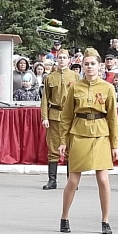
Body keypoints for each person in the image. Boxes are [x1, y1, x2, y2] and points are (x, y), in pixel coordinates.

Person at [58, 48, 118, 234]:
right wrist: (63, 140)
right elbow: (66, 116)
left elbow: (113, 119)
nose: (90, 67)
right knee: (73, 179)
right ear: (82, 66)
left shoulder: (108, 88)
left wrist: (115, 144)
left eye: (93, 63)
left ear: (100, 66)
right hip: (79, 133)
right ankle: (64, 217)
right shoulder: (75, 87)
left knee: (103, 179)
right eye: (86, 64)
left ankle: (105, 220)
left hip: (101, 133)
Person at [40, 49, 80, 190]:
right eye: (60, 57)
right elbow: (45, 98)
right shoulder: (50, 77)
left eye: (64, 57)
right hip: (55, 115)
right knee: (53, 147)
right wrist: (44, 117)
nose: (62, 60)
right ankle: (52, 180)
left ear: (69, 60)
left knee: (71, 148)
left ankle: (71, 181)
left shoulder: (75, 76)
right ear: (56, 59)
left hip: (71, 116)